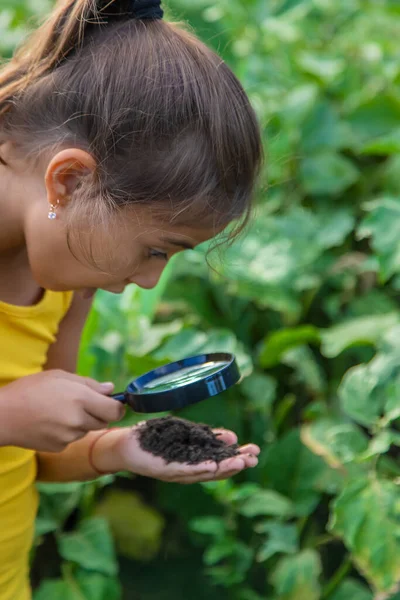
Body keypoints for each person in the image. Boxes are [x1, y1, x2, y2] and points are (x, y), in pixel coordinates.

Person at [0, 0, 263, 598]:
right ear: (68, 182)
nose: (150, 280)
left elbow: (32, 452)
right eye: (156, 250)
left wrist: (118, 448)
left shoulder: (66, 281)